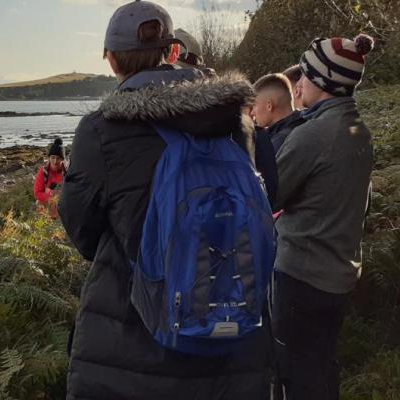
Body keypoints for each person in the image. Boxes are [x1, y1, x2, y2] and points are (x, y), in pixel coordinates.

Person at [59, 2, 270, 398]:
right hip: (228, 310)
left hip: (129, 327)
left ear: (111, 61)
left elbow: (81, 228)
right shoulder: (234, 120)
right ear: (173, 53)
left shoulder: (102, 128)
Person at [272, 34, 375, 400]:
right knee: (321, 366)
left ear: (324, 81)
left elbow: (269, 194)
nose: (297, 85)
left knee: (295, 374)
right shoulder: (357, 131)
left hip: (302, 276)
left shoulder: (313, 134)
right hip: (338, 275)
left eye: (304, 76)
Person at [252, 73, 303, 153]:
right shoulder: (305, 124)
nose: (252, 112)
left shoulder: (279, 142)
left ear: (269, 106)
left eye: (254, 105)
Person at [33, 138, 66, 219]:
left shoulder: (68, 171)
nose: (55, 161)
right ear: (49, 158)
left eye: (58, 158)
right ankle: (45, 223)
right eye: (53, 157)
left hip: (65, 203)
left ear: (62, 159)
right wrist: (51, 197)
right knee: (39, 203)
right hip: (49, 203)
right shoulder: (44, 171)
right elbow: (37, 193)